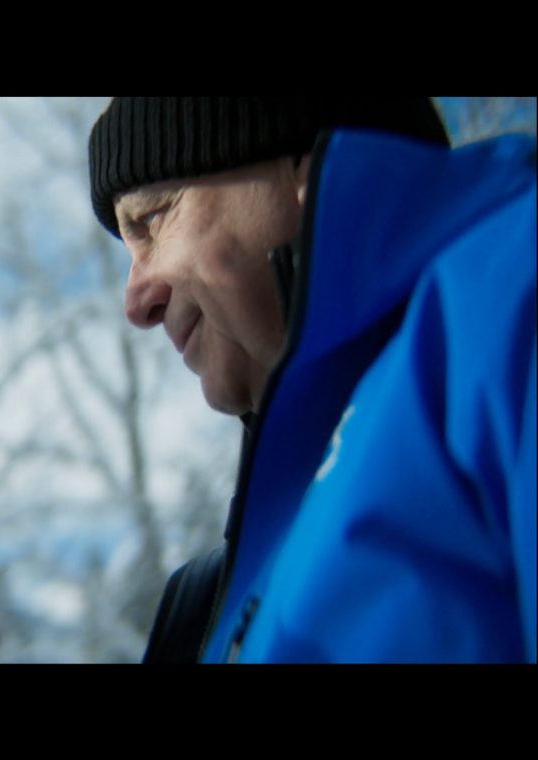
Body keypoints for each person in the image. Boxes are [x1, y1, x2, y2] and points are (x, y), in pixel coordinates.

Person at [88, 97, 535, 663]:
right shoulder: (222, 591)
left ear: (306, 164)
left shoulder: (508, 300)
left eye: (154, 219)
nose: (136, 303)